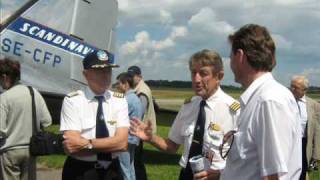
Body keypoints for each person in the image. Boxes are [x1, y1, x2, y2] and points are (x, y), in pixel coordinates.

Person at [131, 49, 240, 180]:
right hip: (186, 175)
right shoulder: (189, 106)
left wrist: (221, 173)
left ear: (219, 76)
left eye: (203, 73)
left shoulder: (233, 111)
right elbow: (171, 146)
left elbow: (245, 159)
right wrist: (150, 138)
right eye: (193, 73)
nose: (196, 79)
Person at [221, 24, 301, 180]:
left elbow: (274, 176)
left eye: (230, 58)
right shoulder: (259, 98)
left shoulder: (268, 101)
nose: (230, 63)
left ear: (240, 56)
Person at [60, 50, 129, 180]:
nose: (105, 75)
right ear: (85, 74)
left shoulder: (119, 100)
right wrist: (110, 144)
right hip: (81, 170)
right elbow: (72, 147)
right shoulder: (73, 101)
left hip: (112, 171)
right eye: (99, 71)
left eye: (108, 70)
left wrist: (87, 144)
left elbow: (122, 143)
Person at [0, 58, 52, 180]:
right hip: (31, 150)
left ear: (5, 77)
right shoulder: (33, 92)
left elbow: (1, 130)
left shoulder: (4, 98)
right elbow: (47, 121)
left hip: (10, 152)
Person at [127, 65, 156, 180]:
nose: (130, 78)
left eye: (132, 76)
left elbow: (139, 112)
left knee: (135, 161)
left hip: (138, 131)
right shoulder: (138, 88)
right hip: (138, 130)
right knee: (136, 160)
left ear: (139, 77)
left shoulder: (142, 91)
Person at [290, 75, 320, 180]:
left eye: (296, 87)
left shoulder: (314, 105)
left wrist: (316, 154)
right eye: (291, 86)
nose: (292, 89)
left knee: (302, 173)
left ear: (304, 90)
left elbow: (317, 131)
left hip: (304, 144)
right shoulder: (285, 101)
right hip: (288, 143)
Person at [116, 72, 144, 180]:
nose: (118, 86)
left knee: (125, 169)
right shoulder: (136, 98)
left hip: (126, 139)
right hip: (134, 138)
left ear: (126, 84)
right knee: (131, 167)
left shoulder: (126, 100)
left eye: (119, 83)